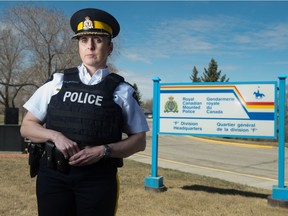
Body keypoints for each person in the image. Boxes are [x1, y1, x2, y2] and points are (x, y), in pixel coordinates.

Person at [20, 8, 149, 216]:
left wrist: (103, 150)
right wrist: (55, 136)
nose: (89, 46)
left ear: (109, 47)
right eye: (83, 40)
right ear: (79, 46)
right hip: (54, 176)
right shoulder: (57, 83)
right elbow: (27, 126)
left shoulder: (122, 91)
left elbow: (139, 141)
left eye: (97, 40)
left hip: (97, 181)